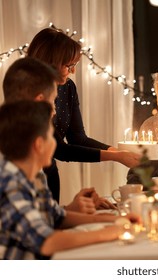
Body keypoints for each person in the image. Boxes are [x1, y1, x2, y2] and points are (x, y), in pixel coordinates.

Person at [0, 101, 139, 259]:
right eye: (52, 138)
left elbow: (57, 216)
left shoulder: (36, 177)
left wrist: (117, 219)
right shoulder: (11, 182)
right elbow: (47, 242)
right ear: (39, 144)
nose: (56, 145)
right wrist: (108, 233)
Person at [26, 27, 140, 202]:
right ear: (50, 63)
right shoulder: (31, 94)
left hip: (50, 176)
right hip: (32, 176)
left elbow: (77, 137)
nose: (73, 71)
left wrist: (120, 152)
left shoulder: (67, 87)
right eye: (69, 65)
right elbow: (60, 150)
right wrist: (117, 157)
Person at [2, 57, 113, 213]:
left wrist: (74, 208)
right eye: (54, 101)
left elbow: (50, 218)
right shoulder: (12, 174)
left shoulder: (37, 173)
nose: (55, 111)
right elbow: (45, 235)